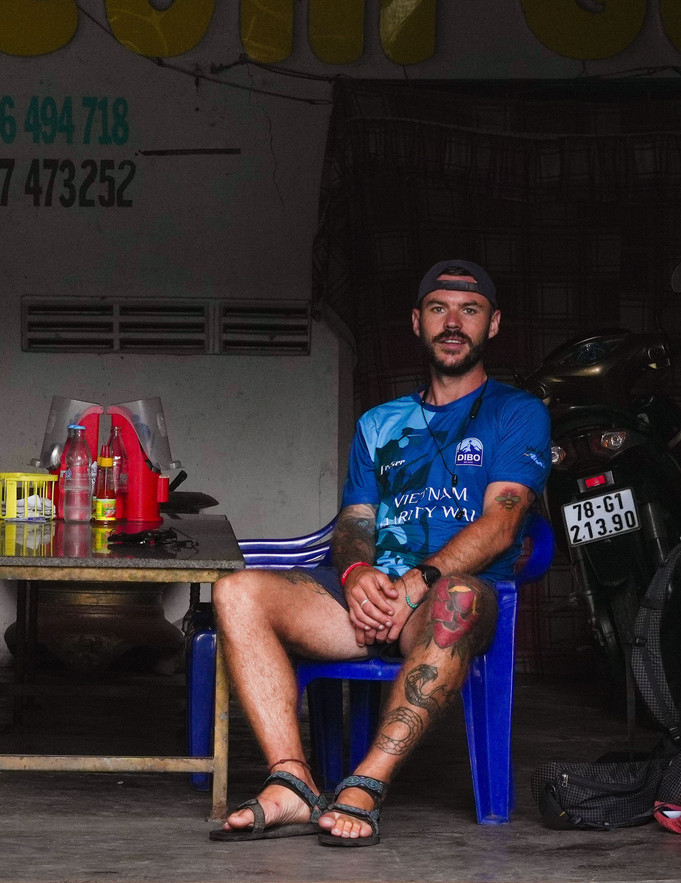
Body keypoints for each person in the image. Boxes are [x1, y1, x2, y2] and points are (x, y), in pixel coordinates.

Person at [209, 259, 550, 847]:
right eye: (439, 309)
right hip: (369, 603)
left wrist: (420, 581)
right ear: (416, 322)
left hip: (445, 601)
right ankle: (290, 782)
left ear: (493, 326)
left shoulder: (516, 414)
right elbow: (356, 520)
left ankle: (365, 784)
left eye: (470, 311)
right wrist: (359, 569)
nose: (453, 323)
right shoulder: (378, 424)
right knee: (234, 591)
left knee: (459, 598)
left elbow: (503, 523)